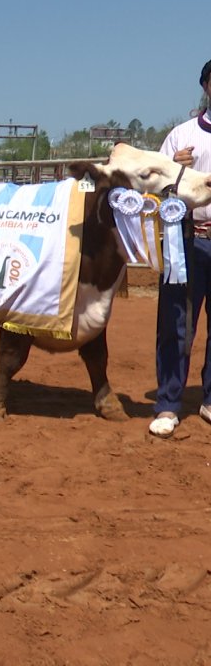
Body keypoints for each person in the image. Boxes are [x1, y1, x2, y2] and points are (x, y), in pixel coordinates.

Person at [149, 58, 211, 438]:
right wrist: (172, 168)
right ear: (206, 86)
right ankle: (169, 402)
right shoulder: (181, 135)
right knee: (176, 323)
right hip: (187, 239)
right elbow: (155, 185)